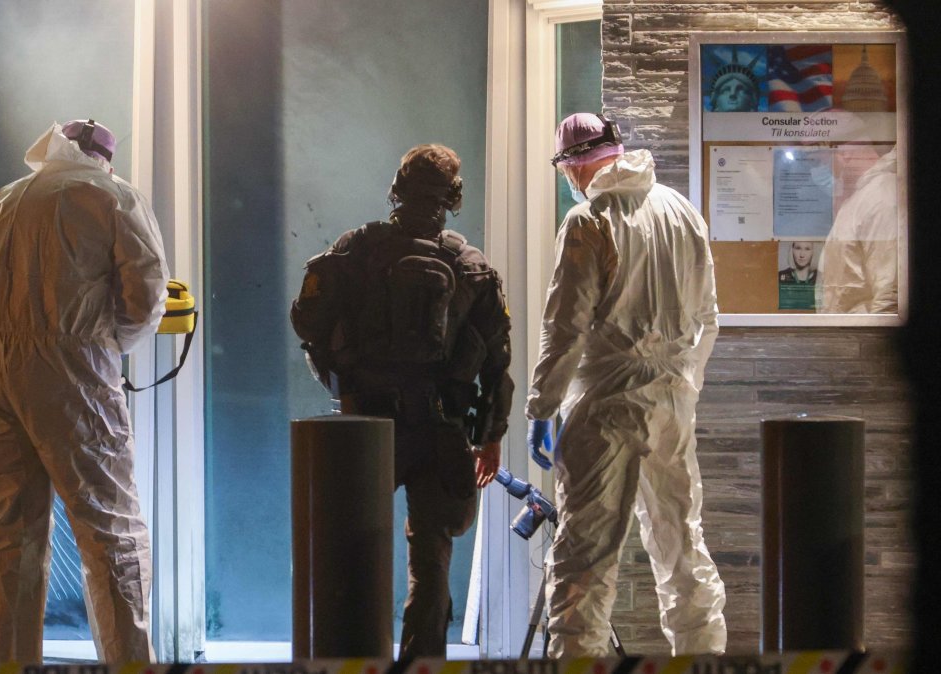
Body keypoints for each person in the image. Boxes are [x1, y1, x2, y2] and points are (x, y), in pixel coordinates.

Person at [0, 119, 169, 663]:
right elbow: (146, 298)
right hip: (68, 365)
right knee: (110, 529)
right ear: (104, 160)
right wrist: (110, 344)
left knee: (11, 532)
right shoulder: (110, 196)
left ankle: (13, 660)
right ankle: (130, 663)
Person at [290, 144, 513, 659]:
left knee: (347, 547)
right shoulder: (472, 267)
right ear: (453, 196)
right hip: (442, 429)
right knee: (432, 557)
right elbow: (497, 361)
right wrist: (491, 436)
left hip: (364, 426)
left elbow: (307, 322)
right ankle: (423, 661)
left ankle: (349, 656)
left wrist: (342, 376)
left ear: (397, 188)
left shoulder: (354, 251)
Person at [525, 113, 727, 658]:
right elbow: (709, 315)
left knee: (585, 559)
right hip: (672, 404)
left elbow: (564, 326)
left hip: (605, 407)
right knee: (683, 547)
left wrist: (542, 406)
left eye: (566, 166)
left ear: (573, 163)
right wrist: (684, 383)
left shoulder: (589, 218)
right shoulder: (681, 211)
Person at [818, 147, 899, 314]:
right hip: (847, 332)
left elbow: (888, 294)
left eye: (822, 160)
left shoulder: (881, 196)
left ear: (845, 154)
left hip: (860, 334)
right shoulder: (860, 198)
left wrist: (877, 339)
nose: (822, 167)